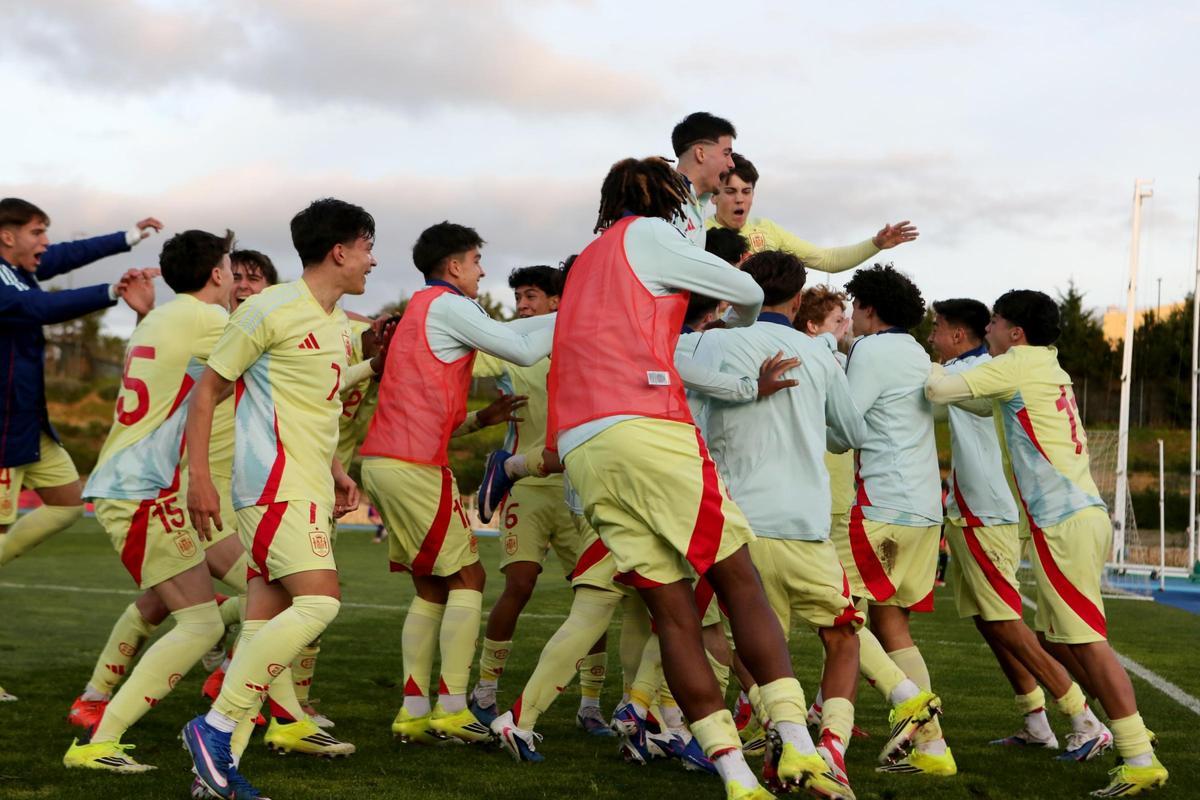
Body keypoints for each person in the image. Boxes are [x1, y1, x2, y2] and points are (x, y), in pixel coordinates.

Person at [544, 155, 848, 800]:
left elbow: (530, 344)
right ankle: (796, 744)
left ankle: (736, 776)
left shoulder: (591, 258)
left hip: (582, 443)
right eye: (689, 191)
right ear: (666, 197)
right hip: (645, 427)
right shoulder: (650, 234)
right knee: (738, 582)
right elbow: (748, 294)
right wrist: (732, 323)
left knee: (672, 614)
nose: (697, 201)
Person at [925, 290, 1168, 797]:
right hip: (1070, 518)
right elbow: (971, 398)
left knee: (1085, 641)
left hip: (1064, 521)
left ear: (1015, 332)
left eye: (993, 321)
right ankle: (1128, 731)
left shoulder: (1017, 363)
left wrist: (907, 360)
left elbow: (939, 390)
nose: (986, 329)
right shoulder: (1039, 364)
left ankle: (1138, 753)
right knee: (1057, 638)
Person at [181, 198, 379, 800]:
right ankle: (213, 728)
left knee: (259, 628)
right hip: (273, 485)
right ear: (340, 250)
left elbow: (307, 406)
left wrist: (339, 471)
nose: (373, 260)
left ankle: (213, 776)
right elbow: (207, 391)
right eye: (368, 247)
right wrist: (199, 479)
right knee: (319, 606)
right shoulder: (270, 307)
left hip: (309, 482)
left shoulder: (334, 324)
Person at [357, 221, 554, 747]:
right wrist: (589, 314)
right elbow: (525, 349)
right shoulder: (449, 306)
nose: (481, 271)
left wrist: (477, 420)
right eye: (475, 261)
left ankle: (414, 711)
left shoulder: (423, 308)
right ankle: (452, 707)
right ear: (453, 266)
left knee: (431, 588)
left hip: (386, 459)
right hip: (416, 466)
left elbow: (424, 400)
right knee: (469, 580)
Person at [691, 249, 869, 794]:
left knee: (753, 643)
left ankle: (783, 735)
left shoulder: (710, 341)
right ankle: (829, 749)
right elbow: (851, 433)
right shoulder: (818, 353)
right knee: (842, 637)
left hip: (738, 521)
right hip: (804, 522)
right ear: (798, 300)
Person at [63, 229, 238, 773]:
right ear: (216, 274)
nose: (235, 279)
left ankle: (102, 712)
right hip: (140, 492)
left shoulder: (168, 318)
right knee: (203, 624)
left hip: (143, 489)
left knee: (259, 589)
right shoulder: (210, 321)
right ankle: (98, 739)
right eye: (232, 268)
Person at [0, 197, 159, 702]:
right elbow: (38, 308)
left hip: (30, 427)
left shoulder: (19, 269)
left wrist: (126, 238)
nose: (45, 243)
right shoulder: (3, 280)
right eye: (37, 233)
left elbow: (63, 257)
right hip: (3, 435)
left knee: (69, 503)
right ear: (7, 236)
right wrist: (113, 291)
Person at [468, 264, 616, 736]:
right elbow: (464, 361)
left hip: (578, 488)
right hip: (526, 486)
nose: (523, 304)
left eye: (532, 295)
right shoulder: (510, 344)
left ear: (557, 301)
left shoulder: (582, 341)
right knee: (521, 584)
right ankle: (485, 691)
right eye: (519, 297)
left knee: (594, 596)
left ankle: (590, 704)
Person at [831, 264, 955, 776]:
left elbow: (846, 424)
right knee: (891, 624)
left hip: (881, 506)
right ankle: (932, 749)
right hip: (925, 510)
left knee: (833, 612)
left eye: (855, 307)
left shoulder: (872, 349)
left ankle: (908, 718)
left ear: (869, 309)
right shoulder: (916, 354)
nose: (851, 317)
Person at [707, 153, 918, 281]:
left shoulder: (766, 229)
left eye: (746, 191)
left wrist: (876, 244)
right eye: (730, 191)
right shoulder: (699, 232)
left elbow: (827, 260)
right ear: (713, 196)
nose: (740, 200)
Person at [670, 112, 737, 246]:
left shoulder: (698, 204)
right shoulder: (661, 199)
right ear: (701, 154)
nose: (731, 164)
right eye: (726, 153)